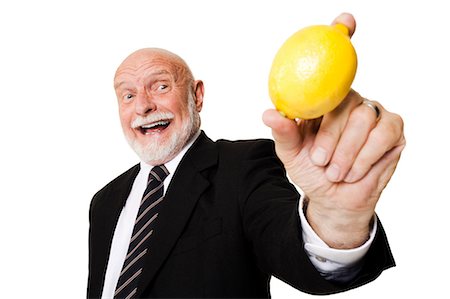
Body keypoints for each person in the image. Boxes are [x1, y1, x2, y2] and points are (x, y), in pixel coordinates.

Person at [88, 13, 405, 299]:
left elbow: (288, 250)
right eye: (128, 95)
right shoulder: (104, 202)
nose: (143, 105)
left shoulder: (243, 165)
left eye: (159, 87)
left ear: (196, 96)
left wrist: (336, 218)